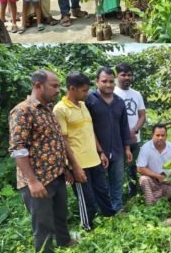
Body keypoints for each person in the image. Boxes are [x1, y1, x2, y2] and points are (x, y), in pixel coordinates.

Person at [9, 69, 81, 253]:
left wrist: (65, 168)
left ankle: (64, 241)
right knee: (43, 224)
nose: (58, 90)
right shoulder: (23, 111)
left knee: (60, 215)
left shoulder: (48, 109)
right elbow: (18, 149)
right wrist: (32, 181)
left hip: (56, 174)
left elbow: (56, 141)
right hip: (38, 180)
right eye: (54, 86)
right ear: (38, 85)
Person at [53, 71, 116, 231]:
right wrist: (74, 167)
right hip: (79, 164)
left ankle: (112, 223)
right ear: (72, 88)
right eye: (84, 90)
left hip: (94, 159)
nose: (87, 93)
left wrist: (100, 152)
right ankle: (88, 229)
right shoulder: (60, 110)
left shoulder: (83, 105)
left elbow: (90, 130)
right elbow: (63, 141)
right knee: (87, 201)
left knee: (103, 193)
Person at [86, 67, 133, 212]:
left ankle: (116, 209)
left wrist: (127, 148)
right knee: (100, 183)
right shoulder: (89, 100)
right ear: (97, 82)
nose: (108, 85)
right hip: (97, 151)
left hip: (117, 149)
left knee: (117, 181)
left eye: (111, 81)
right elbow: (87, 128)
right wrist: (99, 150)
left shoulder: (119, 102)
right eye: (104, 81)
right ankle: (103, 211)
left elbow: (124, 126)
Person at [113, 63, 146, 199]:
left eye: (129, 75)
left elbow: (142, 115)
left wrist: (135, 130)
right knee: (118, 168)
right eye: (123, 75)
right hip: (118, 140)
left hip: (135, 138)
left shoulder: (136, 94)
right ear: (117, 76)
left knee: (132, 167)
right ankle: (118, 196)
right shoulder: (113, 93)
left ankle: (133, 194)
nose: (127, 77)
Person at [136, 124, 171, 206]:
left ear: (166, 136)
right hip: (152, 181)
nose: (160, 138)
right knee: (143, 180)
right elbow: (140, 168)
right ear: (152, 135)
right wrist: (156, 175)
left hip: (167, 181)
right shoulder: (146, 148)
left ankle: (160, 198)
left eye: (163, 135)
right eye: (157, 135)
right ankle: (150, 205)